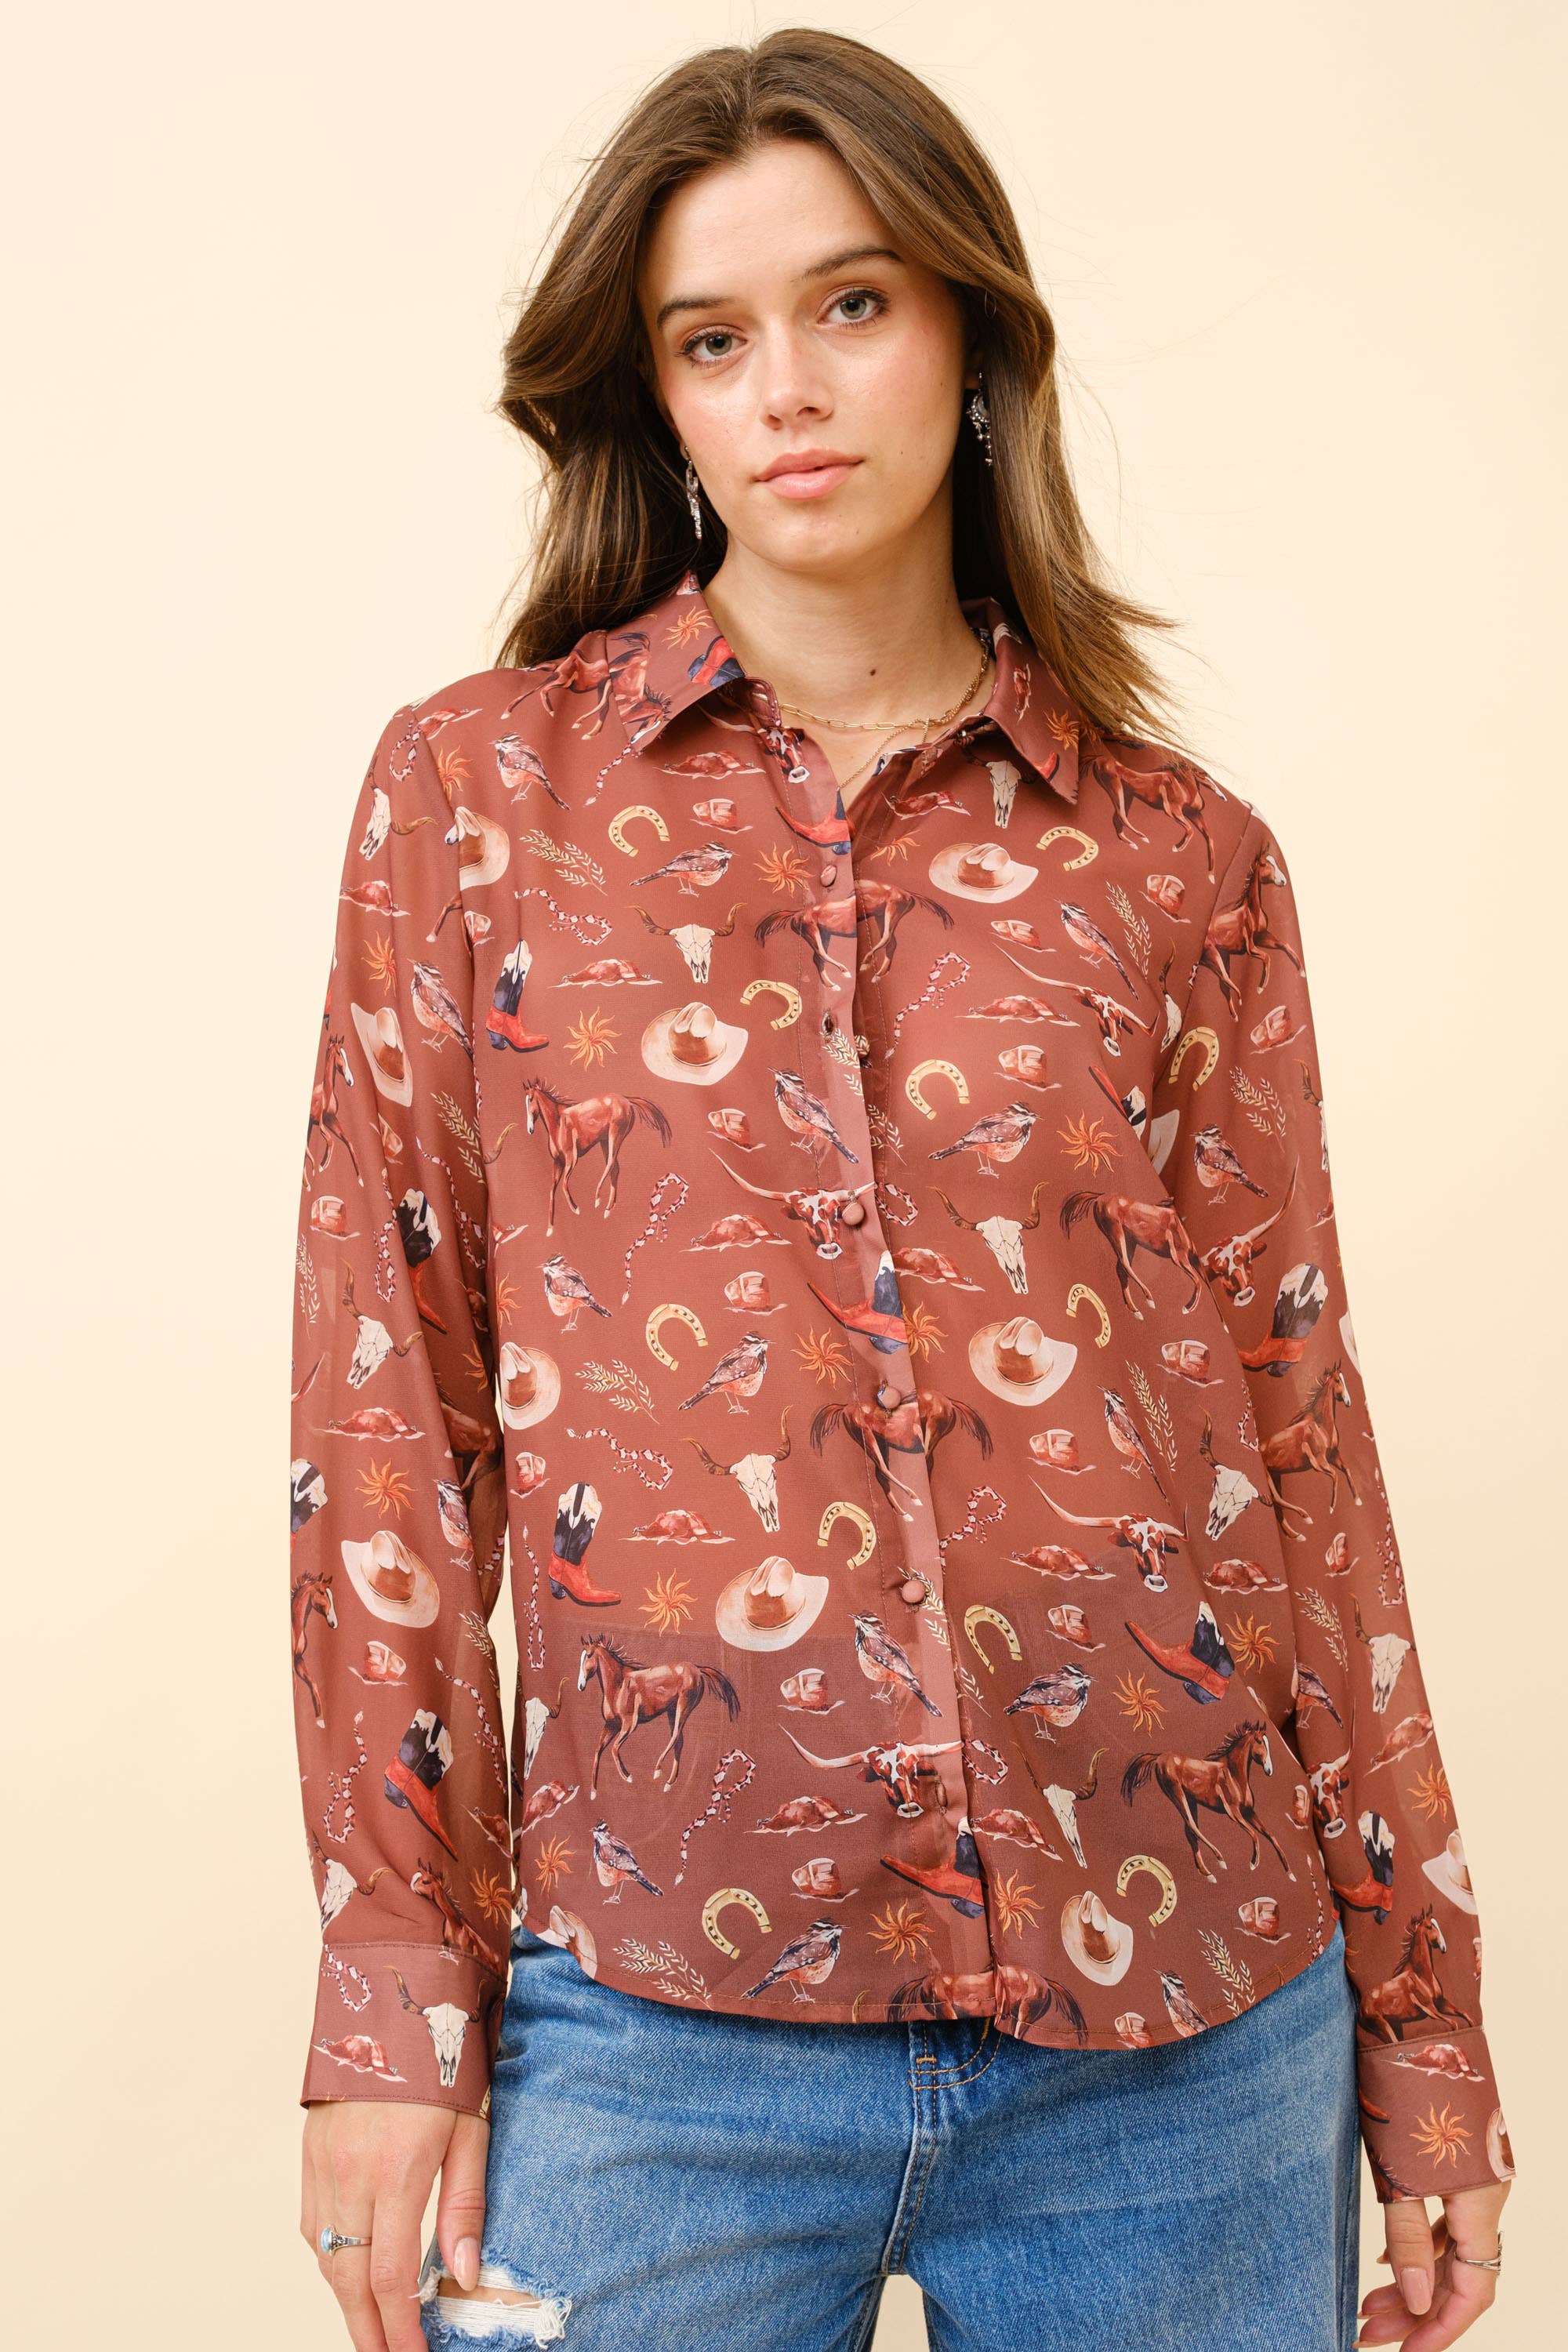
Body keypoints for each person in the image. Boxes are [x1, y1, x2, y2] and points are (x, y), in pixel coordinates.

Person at [288, 29, 1512, 2352]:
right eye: (712, 339)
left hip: (1191, 2022)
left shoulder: (1183, 863)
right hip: (655, 2021)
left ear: (971, 340)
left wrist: (1427, 2047)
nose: (790, 388)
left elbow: (1299, 1445)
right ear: (655, 401)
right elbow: (387, 1428)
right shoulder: (478, 803)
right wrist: (391, 2008)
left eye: (852, 305)